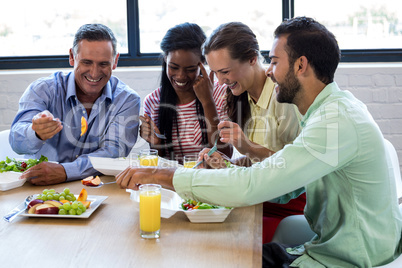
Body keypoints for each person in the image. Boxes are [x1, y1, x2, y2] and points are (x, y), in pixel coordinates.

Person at [116, 16, 402, 267]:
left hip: (348, 259)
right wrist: (228, 168)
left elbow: (255, 186)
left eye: (275, 62)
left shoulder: (335, 123)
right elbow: (284, 187)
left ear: (301, 65)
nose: (268, 71)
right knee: (221, 255)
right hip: (322, 249)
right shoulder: (324, 113)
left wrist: (163, 175)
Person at [201, 22, 305, 243]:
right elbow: (256, 166)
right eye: (216, 73)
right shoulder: (243, 97)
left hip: (288, 203)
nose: (220, 81)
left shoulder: (283, 97)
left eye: (225, 72)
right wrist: (225, 164)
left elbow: (295, 171)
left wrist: (247, 147)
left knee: (232, 235)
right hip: (260, 195)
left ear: (251, 58)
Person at [10, 23, 140, 186]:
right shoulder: (43, 89)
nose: (94, 73)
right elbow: (16, 141)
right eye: (87, 62)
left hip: (96, 189)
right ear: (72, 57)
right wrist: (35, 132)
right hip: (39, 188)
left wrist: (66, 171)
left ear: (115, 61)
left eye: (103, 64)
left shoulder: (127, 100)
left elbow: (112, 152)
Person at [140, 22, 230, 163]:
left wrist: (208, 102)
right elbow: (159, 162)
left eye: (190, 69)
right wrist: (156, 143)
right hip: (172, 180)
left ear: (203, 63)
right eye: (174, 67)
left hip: (211, 179)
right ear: (165, 60)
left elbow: (225, 156)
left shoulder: (221, 94)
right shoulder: (153, 101)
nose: (181, 76)